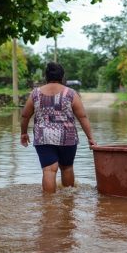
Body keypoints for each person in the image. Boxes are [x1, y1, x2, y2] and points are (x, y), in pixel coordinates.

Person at [20, 62, 96, 193]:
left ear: (46, 76)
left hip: (44, 136)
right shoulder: (71, 93)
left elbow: (25, 116)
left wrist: (23, 133)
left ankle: (48, 204)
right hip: (67, 137)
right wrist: (90, 138)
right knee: (67, 168)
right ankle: (68, 200)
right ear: (62, 76)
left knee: (49, 169)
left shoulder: (35, 93)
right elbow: (82, 117)